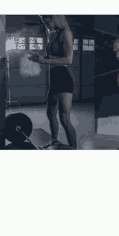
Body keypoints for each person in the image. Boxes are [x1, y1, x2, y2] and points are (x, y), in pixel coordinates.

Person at [28, 15, 77, 149]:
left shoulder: (66, 33)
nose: (46, 25)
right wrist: (39, 58)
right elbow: (51, 56)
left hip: (64, 79)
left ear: (55, 19)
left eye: (48, 21)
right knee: (50, 113)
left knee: (64, 119)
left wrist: (45, 61)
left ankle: (74, 149)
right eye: (44, 22)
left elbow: (68, 60)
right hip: (54, 79)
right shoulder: (52, 34)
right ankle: (54, 141)